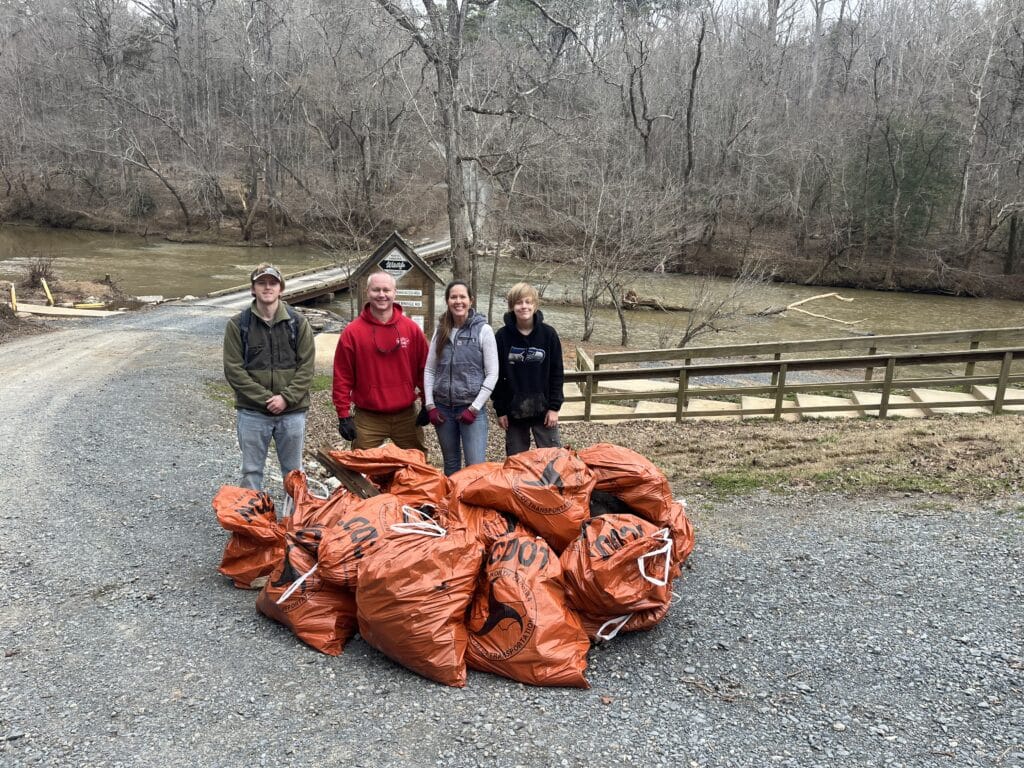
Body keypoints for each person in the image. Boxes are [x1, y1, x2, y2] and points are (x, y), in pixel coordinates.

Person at [223, 263, 315, 490]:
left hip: (292, 412)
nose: (267, 287)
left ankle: (295, 520)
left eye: (272, 283)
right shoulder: (238, 324)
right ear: (253, 289)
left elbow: (307, 367)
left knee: (294, 471)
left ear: (281, 289)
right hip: (252, 412)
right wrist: (266, 399)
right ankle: (251, 522)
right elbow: (234, 370)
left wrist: (286, 398)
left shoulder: (298, 323)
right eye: (261, 283)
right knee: (251, 471)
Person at [332, 271, 430, 452]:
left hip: (406, 415)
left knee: (418, 466)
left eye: (387, 290)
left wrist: (427, 403)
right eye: (376, 290)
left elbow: (424, 369)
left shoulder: (411, 329)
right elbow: (342, 376)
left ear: (395, 292)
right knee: (360, 469)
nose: (382, 295)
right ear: (367, 292)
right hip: (368, 417)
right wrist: (343, 415)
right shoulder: (352, 332)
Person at [423, 280, 499, 475]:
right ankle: (451, 505)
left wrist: (474, 408)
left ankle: (472, 505)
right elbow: (430, 370)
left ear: (470, 300)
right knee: (451, 465)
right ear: (447, 301)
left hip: (471, 409)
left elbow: (492, 374)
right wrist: (430, 405)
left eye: (462, 297)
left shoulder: (483, 330)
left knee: (475, 467)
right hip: (443, 410)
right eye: (453, 297)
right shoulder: (441, 331)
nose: (458, 301)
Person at [492, 282, 564, 456]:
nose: (523, 306)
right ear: (511, 307)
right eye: (518, 302)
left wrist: (554, 408)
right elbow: (496, 376)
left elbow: (557, 373)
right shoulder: (502, 337)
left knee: (553, 461)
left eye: (528, 302)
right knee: (517, 463)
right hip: (514, 412)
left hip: (544, 411)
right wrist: (500, 410)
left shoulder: (548, 335)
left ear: (535, 305)